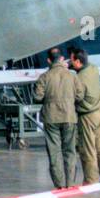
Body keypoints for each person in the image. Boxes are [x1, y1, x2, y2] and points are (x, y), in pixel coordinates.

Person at [33, 47, 82, 189]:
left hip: (51, 118)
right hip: (69, 117)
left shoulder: (44, 77)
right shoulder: (72, 76)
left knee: (54, 152)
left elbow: (37, 97)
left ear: (48, 60)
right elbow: (80, 96)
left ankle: (59, 186)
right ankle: (70, 184)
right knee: (70, 151)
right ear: (62, 59)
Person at [69, 46, 100, 184]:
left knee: (87, 149)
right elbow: (83, 66)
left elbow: (77, 97)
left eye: (71, 60)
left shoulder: (79, 79)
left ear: (77, 62)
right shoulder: (93, 68)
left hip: (87, 116)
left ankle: (91, 179)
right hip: (99, 112)